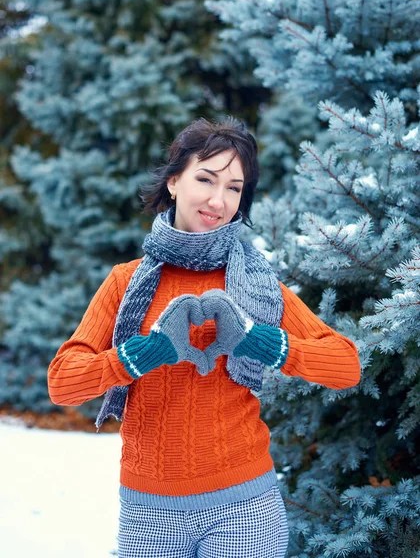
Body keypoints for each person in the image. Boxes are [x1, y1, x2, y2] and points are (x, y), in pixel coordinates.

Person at [48, 116, 361, 558]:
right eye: (206, 178)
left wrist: (255, 340)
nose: (219, 199)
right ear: (174, 181)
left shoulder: (255, 284)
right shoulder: (126, 282)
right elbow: (63, 382)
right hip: (148, 515)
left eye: (234, 187)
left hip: (245, 507)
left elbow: (346, 364)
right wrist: (145, 353)